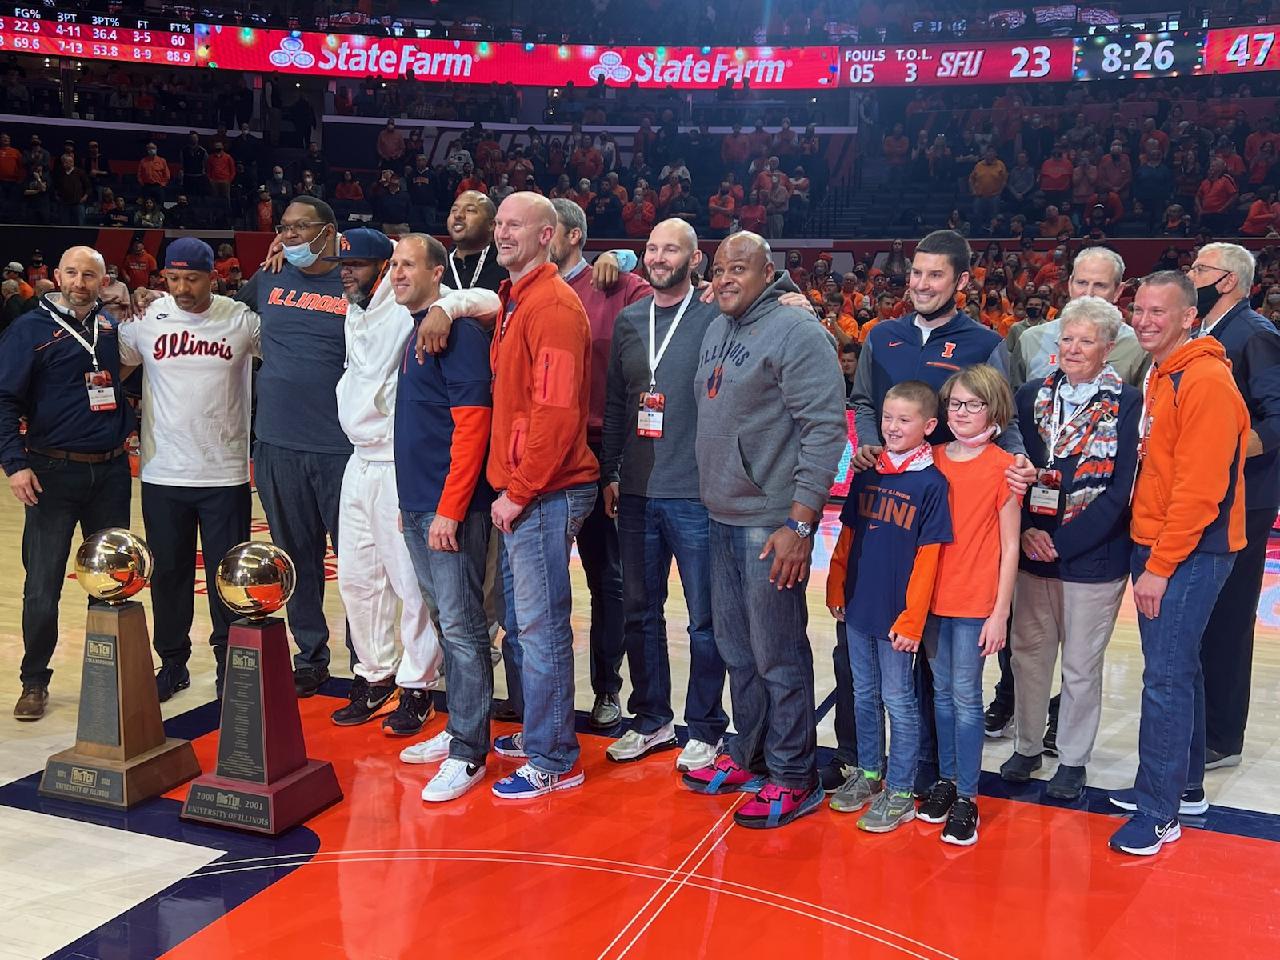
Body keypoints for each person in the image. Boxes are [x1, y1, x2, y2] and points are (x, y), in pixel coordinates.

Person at [684, 231, 846, 829]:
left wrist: (800, 524)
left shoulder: (797, 332)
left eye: (739, 269)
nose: (726, 278)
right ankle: (749, 756)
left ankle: (793, 775)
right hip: (720, 514)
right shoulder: (718, 326)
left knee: (777, 654)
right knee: (737, 652)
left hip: (771, 524)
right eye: (720, 268)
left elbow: (826, 430)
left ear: (767, 272)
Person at [328, 228, 496, 734]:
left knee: (414, 588)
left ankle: (418, 684)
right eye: (344, 265)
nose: (348, 272)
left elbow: (488, 297)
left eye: (360, 265)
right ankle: (373, 673)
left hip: (402, 463)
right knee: (358, 579)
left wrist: (453, 306)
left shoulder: (425, 307)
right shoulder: (355, 310)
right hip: (358, 461)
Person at [1107, 271, 1249, 857]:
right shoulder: (1163, 373)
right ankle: (1182, 787)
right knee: (1178, 671)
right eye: (1137, 309)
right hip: (1162, 542)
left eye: (1158, 311)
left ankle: (1159, 811)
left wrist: (1160, 565)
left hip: (1187, 550)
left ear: (1190, 316)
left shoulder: (1206, 379)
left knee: (1164, 679)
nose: (1143, 320)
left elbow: (1199, 490)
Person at [599, 219, 729, 773]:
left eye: (670, 248)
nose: (658, 256)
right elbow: (615, 406)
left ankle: (704, 727)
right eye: (651, 248)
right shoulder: (631, 321)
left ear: (695, 259)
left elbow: (768, 282)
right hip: (636, 492)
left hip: (695, 493)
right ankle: (650, 719)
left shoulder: (715, 315)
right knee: (639, 612)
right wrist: (609, 471)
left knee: (705, 618)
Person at [1003, 297, 1141, 800]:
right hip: (1031, 549)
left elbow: (1122, 491)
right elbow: (1009, 472)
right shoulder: (1030, 395)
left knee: (1081, 666)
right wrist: (1023, 534)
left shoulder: (1130, 405)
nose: (1074, 349)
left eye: (1086, 340)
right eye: (1067, 339)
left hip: (1093, 558)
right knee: (1028, 656)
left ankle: (1074, 758)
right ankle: (1026, 744)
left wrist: (1060, 544)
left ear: (1108, 349)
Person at [486, 192, 599, 800]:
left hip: (543, 492)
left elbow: (554, 415)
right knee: (527, 627)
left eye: (515, 225)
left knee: (542, 627)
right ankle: (540, 732)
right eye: (499, 223)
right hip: (524, 490)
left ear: (548, 234)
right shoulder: (515, 299)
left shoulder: (552, 306)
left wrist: (519, 490)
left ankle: (555, 756)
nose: (503, 233)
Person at [116, 239, 259, 701]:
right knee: (170, 575)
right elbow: (111, 367)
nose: (181, 288)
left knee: (227, 577)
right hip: (161, 472)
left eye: (191, 279)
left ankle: (228, 663)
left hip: (225, 473)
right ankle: (172, 662)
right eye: (172, 279)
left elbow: (289, 355)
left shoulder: (239, 319)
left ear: (211, 277)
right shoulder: (147, 320)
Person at [0, 248, 133, 720]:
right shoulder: (28, 329)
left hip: (113, 471)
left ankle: (114, 677)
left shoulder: (111, 326)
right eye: (72, 273)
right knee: (42, 585)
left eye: (89, 275)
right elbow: (4, 398)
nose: (80, 281)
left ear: (104, 280)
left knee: (113, 581)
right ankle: (34, 681)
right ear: (57, 276)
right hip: (51, 473)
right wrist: (14, 464)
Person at [391, 233, 498, 802]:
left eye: (409, 264)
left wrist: (451, 510)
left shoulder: (454, 334)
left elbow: (472, 425)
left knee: (462, 627)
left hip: (447, 509)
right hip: (417, 504)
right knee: (444, 620)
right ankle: (459, 724)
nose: (398, 272)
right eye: (394, 264)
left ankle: (468, 751)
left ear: (439, 275)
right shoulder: (418, 329)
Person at [236, 198, 354, 696]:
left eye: (300, 227)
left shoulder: (356, 282)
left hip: (342, 447)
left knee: (358, 564)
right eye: (283, 228)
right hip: (277, 443)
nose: (290, 236)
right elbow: (217, 314)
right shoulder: (266, 279)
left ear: (329, 231)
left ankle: (370, 660)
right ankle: (310, 653)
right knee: (296, 557)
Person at [827, 381, 951, 832]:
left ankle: (900, 789)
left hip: (898, 616)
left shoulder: (932, 484)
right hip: (858, 605)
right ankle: (869, 772)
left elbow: (929, 557)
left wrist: (913, 618)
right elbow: (848, 537)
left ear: (929, 426)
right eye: (887, 418)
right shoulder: (868, 472)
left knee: (898, 699)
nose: (893, 427)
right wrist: (836, 587)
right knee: (862, 693)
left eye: (905, 419)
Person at [547, 198, 651, 729]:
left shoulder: (616, 285)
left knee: (606, 580)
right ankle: (538, 700)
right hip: (540, 455)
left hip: (599, 450)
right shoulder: (520, 289)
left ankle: (607, 688)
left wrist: (625, 258)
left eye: (548, 230)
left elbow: (671, 288)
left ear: (570, 237)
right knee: (538, 585)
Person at [913, 367, 1020, 845]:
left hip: (975, 600)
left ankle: (968, 797)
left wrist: (1000, 612)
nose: (961, 413)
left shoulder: (1005, 467)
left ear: (993, 411)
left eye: (973, 405)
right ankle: (948, 781)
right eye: (955, 404)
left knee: (966, 697)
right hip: (931, 597)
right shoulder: (929, 458)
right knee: (940, 695)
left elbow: (1012, 546)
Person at [1190, 243, 1280, 771]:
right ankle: (1207, 727)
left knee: (1227, 615)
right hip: (1216, 496)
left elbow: (1276, 419)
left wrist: (1218, 449)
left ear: (1227, 281)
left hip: (1244, 499)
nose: (1191, 276)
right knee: (1206, 616)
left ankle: (1222, 736)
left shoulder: (1256, 334)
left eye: (1199, 269)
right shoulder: (1211, 334)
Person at [1009, 247, 1147, 389]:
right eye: (1082, 283)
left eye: (1100, 285)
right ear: (1070, 285)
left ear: (1118, 292)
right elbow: (1014, 405)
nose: (1088, 293)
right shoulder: (1030, 340)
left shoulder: (1137, 347)